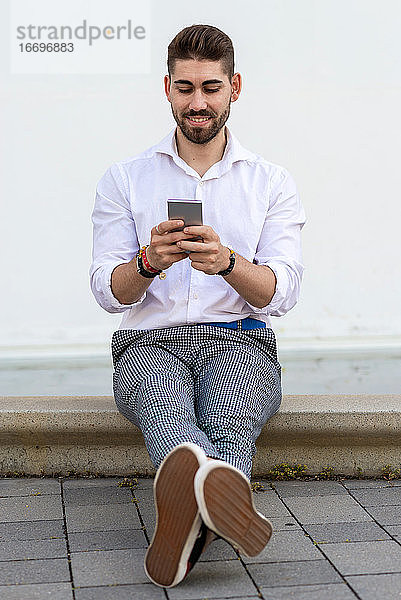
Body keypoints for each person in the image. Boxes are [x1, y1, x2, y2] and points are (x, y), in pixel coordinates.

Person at [89, 24, 305, 588]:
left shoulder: (271, 183)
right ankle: (220, 509)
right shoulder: (125, 179)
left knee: (229, 422)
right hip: (149, 340)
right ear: (167, 88)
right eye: (185, 88)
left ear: (235, 86)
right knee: (175, 429)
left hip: (242, 340)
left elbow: (283, 292)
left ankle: (188, 527)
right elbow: (107, 292)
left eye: (210, 87)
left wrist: (228, 263)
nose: (198, 102)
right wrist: (147, 263)